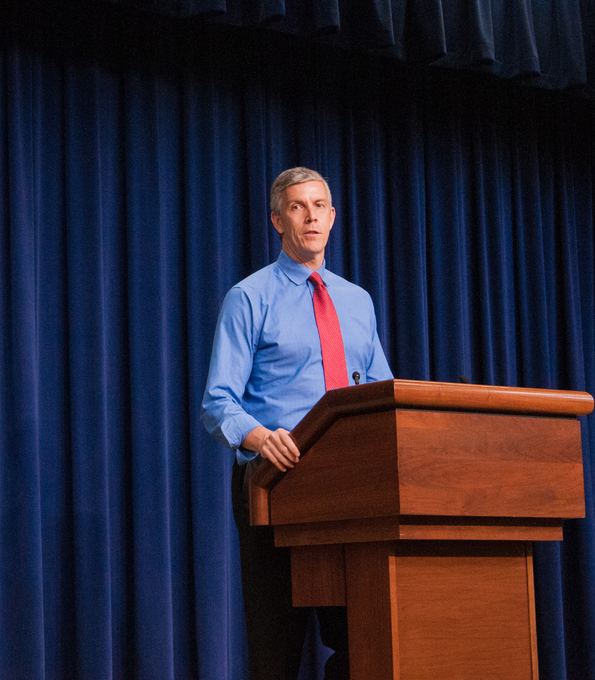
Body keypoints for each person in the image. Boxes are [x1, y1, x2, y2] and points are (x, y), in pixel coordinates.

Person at [200, 167, 393, 680]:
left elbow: (383, 396)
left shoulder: (357, 301)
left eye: (320, 205)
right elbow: (218, 401)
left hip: (351, 491)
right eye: (297, 206)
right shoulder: (250, 297)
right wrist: (262, 437)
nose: (310, 216)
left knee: (364, 643)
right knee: (276, 652)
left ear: (332, 218)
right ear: (277, 220)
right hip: (277, 483)